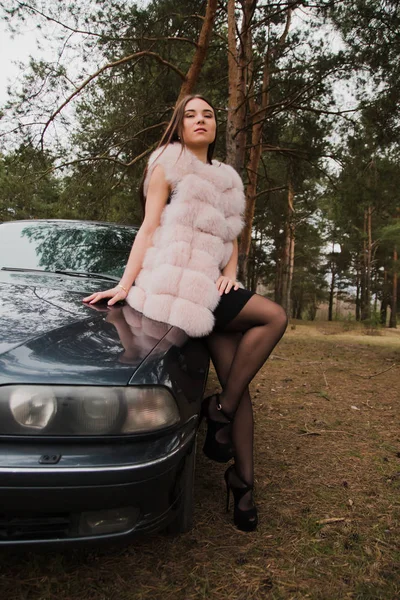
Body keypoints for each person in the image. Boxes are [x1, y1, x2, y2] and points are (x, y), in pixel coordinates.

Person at [83, 94, 288, 532]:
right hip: (172, 288)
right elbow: (149, 226)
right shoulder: (168, 162)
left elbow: (231, 234)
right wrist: (124, 284)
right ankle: (227, 423)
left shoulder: (228, 178)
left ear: (216, 127)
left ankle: (235, 455)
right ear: (179, 127)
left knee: (254, 349)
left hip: (211, 291)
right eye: (190, 115)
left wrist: (232, 273)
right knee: (261, 338)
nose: (200, 120)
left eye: (208, 115)